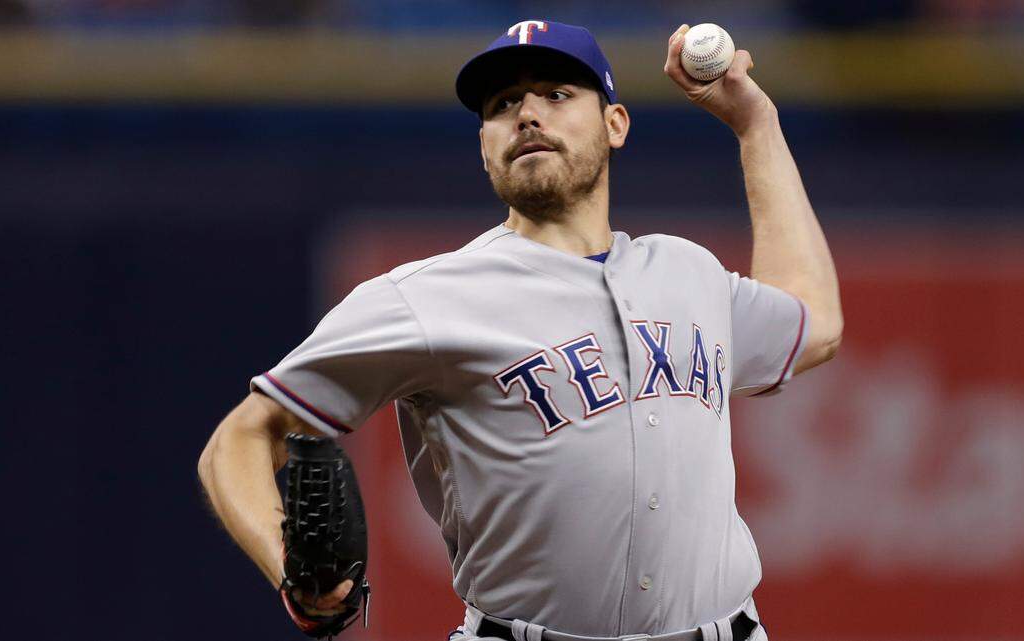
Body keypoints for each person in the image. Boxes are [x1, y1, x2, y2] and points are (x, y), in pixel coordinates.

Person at [198, 20, 842, 641]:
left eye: (558, 95)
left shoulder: (689, 271)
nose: (529, 114)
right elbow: (240, 439)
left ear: (615, 124)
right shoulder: (425, 298)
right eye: (504, 103)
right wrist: (290, 568)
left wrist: (757, 125)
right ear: (485, 147)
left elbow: (813, 326)